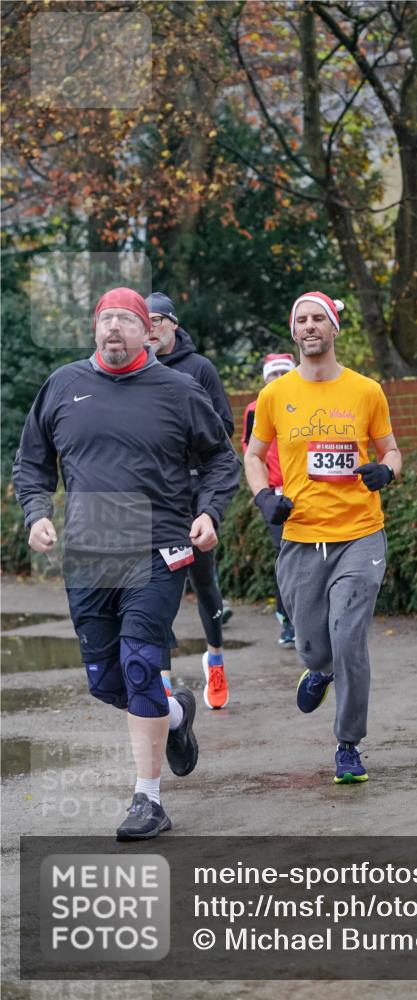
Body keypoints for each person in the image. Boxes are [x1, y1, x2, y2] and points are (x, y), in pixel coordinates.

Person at [13, 287, 241, 840]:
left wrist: (209, 513)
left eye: (126, 319)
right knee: (107, 680)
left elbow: (221, 459)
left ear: (148, 331)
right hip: (90, 554)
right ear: (95, 329)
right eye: (105, 318)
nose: (113, 327)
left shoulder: (178, 389)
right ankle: (179, 712)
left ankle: (148, 798)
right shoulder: (63, 386)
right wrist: (36, 513)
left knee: (140, 664)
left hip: (159, 549)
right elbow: (31, 462)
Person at [244, 291, 402, 784]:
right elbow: (252, 455)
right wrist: (264, 496)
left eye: (319, 318)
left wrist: (385, 472)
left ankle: (348, 744)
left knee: (349, 637)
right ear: (294, 332)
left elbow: (392, 449)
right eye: (302, 320)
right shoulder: (274, 396)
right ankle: (319, 671)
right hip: (301, 536)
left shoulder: (366, 391)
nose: (310, 326)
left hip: (360, 533)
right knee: (314, 646)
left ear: (334, 328)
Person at [145, 292, 235, 710]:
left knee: (203, 582)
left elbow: (226, 428)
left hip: (196, 491)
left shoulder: (199, 368)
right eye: (142, 319)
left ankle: (215, 658)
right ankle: (161, 682)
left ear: (173, 324)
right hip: (155, 495)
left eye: (157, 318)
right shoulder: (134, 371)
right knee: (156, 589)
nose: (150, 326)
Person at [242, 352, 297, 646]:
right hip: (276, 495)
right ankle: (286, 619)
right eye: (273, 375)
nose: (278, 379)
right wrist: (262, 493)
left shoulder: (306, 400)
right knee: (286, 557)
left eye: (283, 373)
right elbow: (251, 454)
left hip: (306, 491)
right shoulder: (256, 408)